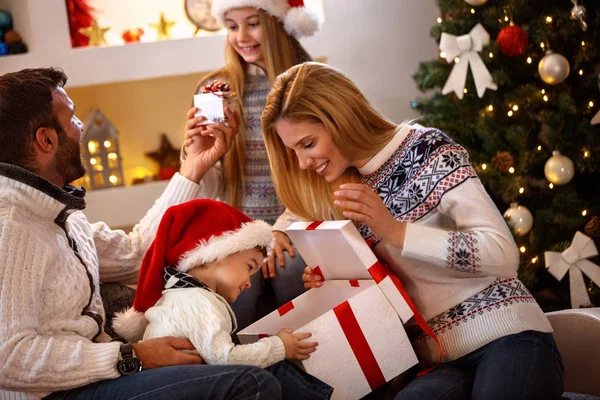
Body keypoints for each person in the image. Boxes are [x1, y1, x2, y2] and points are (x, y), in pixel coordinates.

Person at [261, 62, 565, 399]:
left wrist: (396, 232)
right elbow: (396, 298)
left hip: (508, 335)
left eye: (307, 144)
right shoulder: (344, 188)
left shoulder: (428, 148)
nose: (303, 163)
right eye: (294, 151)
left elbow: (503, 253)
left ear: (339, 118)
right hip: (439, 360)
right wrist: (335, 285)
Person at [0, 67, 282, 399]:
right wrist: (132, 356)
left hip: (102, 375)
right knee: (250, 384)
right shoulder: (11, 227)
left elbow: (136, 254)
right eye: (72, 119)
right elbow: (9, 357)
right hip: (57, 393)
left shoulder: (63, 217)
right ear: (46, 140)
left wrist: (192, 167)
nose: (81, 126)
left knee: (268, 361)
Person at [182, 0, 322, 328]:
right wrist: (198, 155)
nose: (241, 36)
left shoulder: (309, 84)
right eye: (231, 26)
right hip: (237, 228)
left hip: (298, 220)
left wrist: (281, 230)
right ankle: (243, 369)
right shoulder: (217, 91)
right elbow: (212, 189)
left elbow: (322, 170)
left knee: (291, 269)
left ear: (277, 23)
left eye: (252, 23)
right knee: (236, 285)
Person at [113, 199, 333, 400]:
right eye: (249, 267)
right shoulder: (196, 301)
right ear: (216, 254)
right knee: (271, 365)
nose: (248, 282)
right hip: (180, 387)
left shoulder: (180, 296)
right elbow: (224, 359)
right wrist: (279, 347)